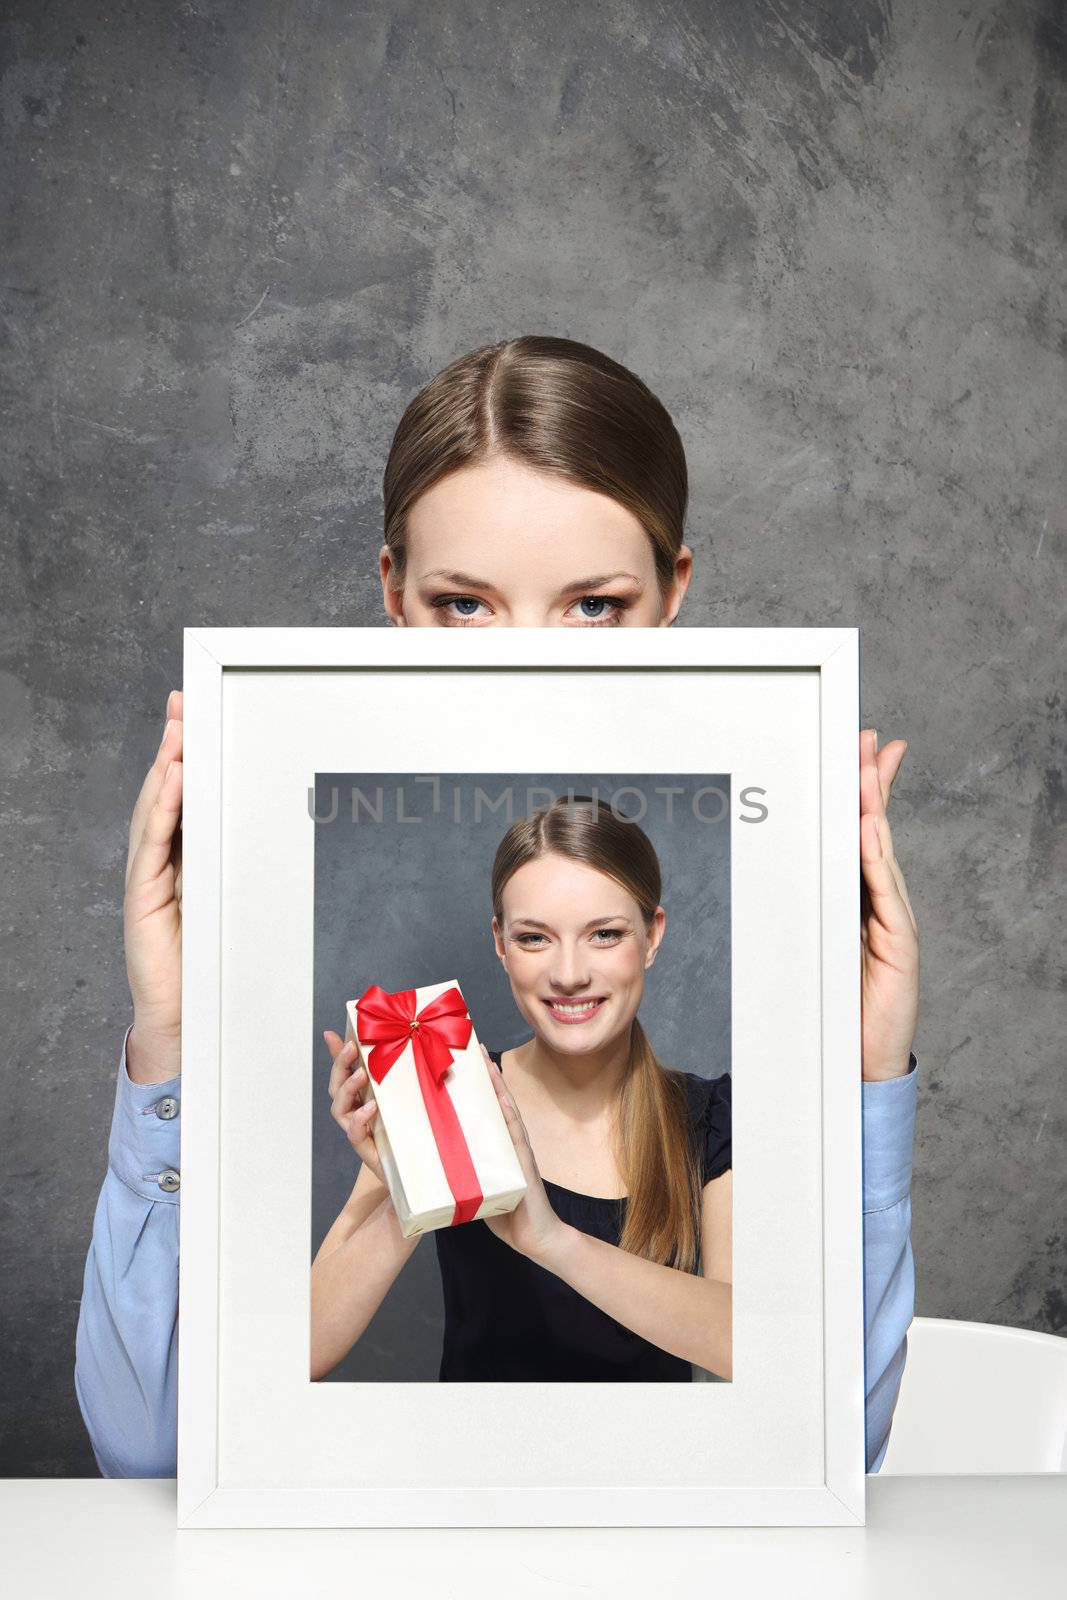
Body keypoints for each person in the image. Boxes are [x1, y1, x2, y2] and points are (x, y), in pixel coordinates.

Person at [75, 336, 918, 1474]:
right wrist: (173, 1039)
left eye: (592, 607)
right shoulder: (448, 1087)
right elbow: (157, 1450)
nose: (532, 672)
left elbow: (832, 1436)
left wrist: (866, 1081)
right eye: (466, 605)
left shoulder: (715, 1113)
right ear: (393, 596)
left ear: (672, 593)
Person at [311, 795, 735, 1385]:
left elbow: (753, 1344)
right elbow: (305, 1347)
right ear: (500, 944)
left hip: (648, 1470)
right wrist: (411, 1182)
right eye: (535, 938)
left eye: (605, 934)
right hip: (473, 1471)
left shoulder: (714, 1116)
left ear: (653, 935)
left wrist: (554, 1242)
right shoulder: (448, 1087)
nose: (568, 973)